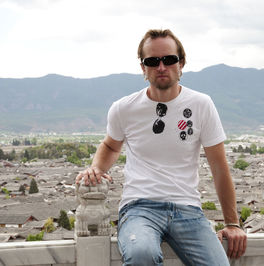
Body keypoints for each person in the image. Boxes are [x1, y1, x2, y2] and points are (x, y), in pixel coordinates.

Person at [75, 29, 247, 265]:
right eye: (152, 61)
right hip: (139, 208)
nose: (161, 67)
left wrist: (232, 223)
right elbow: (111, 146)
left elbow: (219, 166)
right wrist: (96, 168)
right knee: (141, 255)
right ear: (143, 68)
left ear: (181, 63)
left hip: (188, 208)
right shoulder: (123, 108)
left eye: (169, 59)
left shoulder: (201, 105)